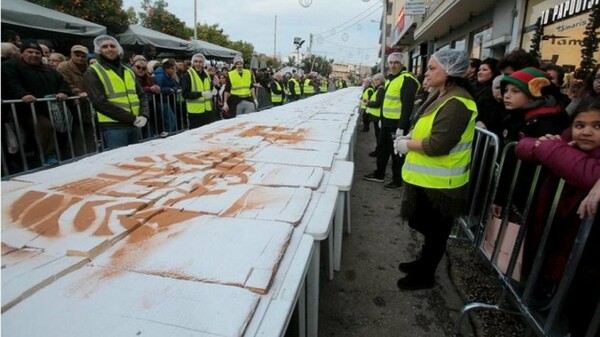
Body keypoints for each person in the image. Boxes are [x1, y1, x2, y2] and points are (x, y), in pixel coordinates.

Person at [514, 98, 600, 337]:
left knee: (582, 305)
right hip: (556, 234)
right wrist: (548, 147)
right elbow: (521, 147)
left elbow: (587, 173)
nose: (586, 132)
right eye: (580, 125)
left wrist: (551, 149)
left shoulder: (563, 147)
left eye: (597, 126)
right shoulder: (566, 143)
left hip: (587, 253)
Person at [393, 49, 476, 290]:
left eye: (432, 68)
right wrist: (411, 135)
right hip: (429, 179)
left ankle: (425, 275)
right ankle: (423, 262)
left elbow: (439, 144)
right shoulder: (443, 94)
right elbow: (428, 128)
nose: (426, 72)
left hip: (443, 184)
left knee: (435, 231)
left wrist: (407, 144)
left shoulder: (457, 102)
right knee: (425, 226)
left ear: (449, 71)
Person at [492, 67, 570, 219]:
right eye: (506, 90)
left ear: (533, 94)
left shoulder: (546, 123)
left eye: (516, 91)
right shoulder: (515, 116)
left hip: (532, 197)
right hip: (515, 192)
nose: (507, 95)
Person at [2, 38, 72, 165]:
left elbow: (63, 82)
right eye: (30, 52)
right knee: (44, 126)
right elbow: (11, 83)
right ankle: (48, 156)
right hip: (26, 110)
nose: (34, 55)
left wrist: (64, 92)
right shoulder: (10, 66)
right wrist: (23, 94)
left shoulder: (48, 69)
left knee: (63, 127)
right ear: (22, 53)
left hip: (50, 108)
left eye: (37, 53)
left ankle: (63, 154)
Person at [364, 52, 419, 191]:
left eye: (396, 62)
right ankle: (379, 174)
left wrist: (401, 127)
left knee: (397, 154)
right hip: (386, 123)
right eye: (391, 62)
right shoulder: (390, 80)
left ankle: (397, 181)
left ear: (402, 64)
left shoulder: (407, 80)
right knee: (382, 149)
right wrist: (382, 119)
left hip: (397, 125)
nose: (393, 65)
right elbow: (385, 103)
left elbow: (407, 106)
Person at [83, 35, 149, 150]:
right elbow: (99, 102)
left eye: (112, 46)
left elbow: (141, 95)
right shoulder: (93, 71)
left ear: (118, 49)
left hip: (135, 123)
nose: (109, 49)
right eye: (105, 47)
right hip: (113, 126)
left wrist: (144, 115)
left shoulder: (128, 70)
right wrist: (132, 118)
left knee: (136, 159)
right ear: (98, 50)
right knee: (119, 163)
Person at [56, 44, 96, 155]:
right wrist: (77, 93)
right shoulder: (63, 66)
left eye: (83, 56)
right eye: (77, 55)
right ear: (71, 54)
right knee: (75, 131)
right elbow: (65, 83)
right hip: (71, 105)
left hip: (86, 104)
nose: (80, 58)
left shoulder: (88, 68)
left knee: (88, 130)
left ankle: (91, 153)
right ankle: (78, 156)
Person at [181, 53, 215, 128]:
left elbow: (210, 88)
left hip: (208, 110)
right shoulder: (188, 75)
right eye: (196, 62)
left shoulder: (206, 74)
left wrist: (213, 90)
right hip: (195, 112)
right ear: (193, 63)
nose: (198, 64)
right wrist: (201, 94)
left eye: (200, 62)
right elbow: (185, 94)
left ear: (203, 63)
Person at [473, 58, 503, 135]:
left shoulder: (493, 91)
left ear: (493, 72)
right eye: (479, 70)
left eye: (484, 70)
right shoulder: (475, 87)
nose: (480, 72)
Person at [153, 59, 181, 135]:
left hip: (167, 100)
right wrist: (169, 89)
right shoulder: (160, 75)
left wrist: (173, 89)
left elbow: (176, 85)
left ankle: (170, 133)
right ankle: (169, 134)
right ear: (167, 68)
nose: (174, 71)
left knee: (171, 119)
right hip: (161, 101)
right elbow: (158, 88)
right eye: (172, 69)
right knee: (170, 120)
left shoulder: (169, 75)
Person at [364, 73, 386, 157]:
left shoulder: (381, 89)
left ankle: (379, 152)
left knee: (379, 136)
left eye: (376, 80)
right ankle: (378, 151)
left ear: (380, 80)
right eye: (374, 80)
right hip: (376, 116)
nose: (375, 81)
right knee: (378, 136)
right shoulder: (378, 89)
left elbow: (378, 103)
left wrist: (368, 103)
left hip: (377, 116)